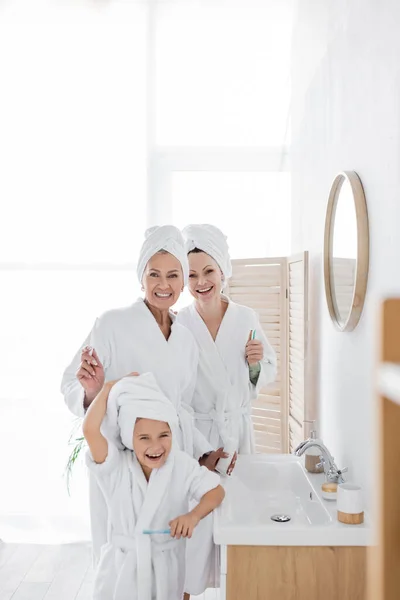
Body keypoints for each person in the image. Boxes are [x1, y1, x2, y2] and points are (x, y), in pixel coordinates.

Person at [61, 225, 225, 561]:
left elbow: (182, 408)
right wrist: (93, 393)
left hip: (168, 461)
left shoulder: (186, 340)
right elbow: (70, 385)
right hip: (122, 468)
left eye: (173, 275)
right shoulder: (111, 324)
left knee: (172, 560)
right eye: (154, 274)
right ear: (141, 278)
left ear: (183, 282)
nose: (163, 285)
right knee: (122, 563)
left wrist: (204, 453)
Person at [177, 223, 277, 596]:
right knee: (193, 531)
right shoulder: (180, 323)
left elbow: (265, 371)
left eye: (208, 271)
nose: (201, 282)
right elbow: (175, 389)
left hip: (236, 438)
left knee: (239, 525)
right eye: (192, 275)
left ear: (223, 271)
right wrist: (202, 450)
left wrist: (254, 364)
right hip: (198, 441)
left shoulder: (245, 317)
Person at [83, 372, 225, 600]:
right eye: (144, 438)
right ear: (130, 438)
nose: (156, 446)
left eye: (163, 435)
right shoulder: (115, 466)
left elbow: (216, 492)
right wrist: (109, 387)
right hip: (121, 571)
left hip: (166, 569)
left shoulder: (180, 465)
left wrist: (193, 516)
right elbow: (90, 430)